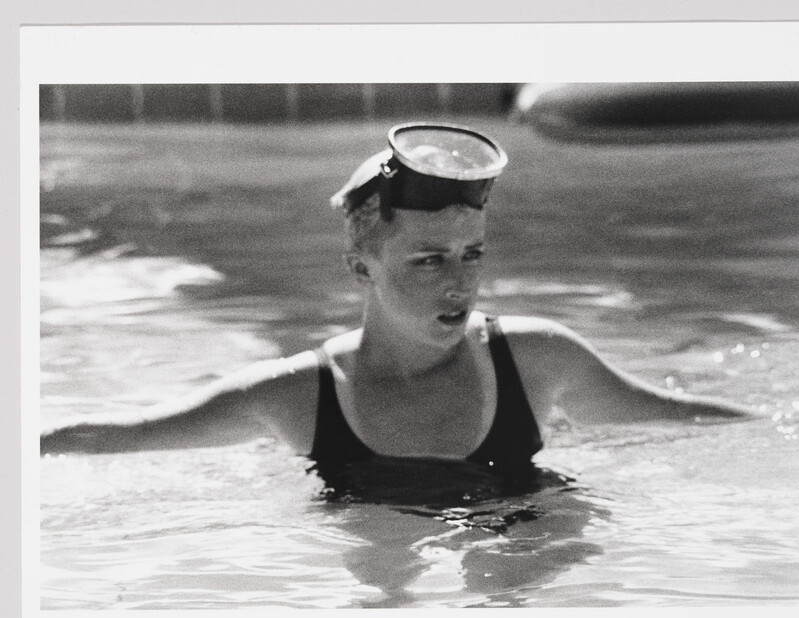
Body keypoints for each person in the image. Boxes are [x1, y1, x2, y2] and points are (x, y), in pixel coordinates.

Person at [40, 122, 751, 474]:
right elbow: (123, 434)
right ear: (361, 267)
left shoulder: (537, 360)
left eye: (472, 254)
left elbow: (680, 418)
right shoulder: (299, 396)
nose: (460, 282)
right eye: (428, 259)